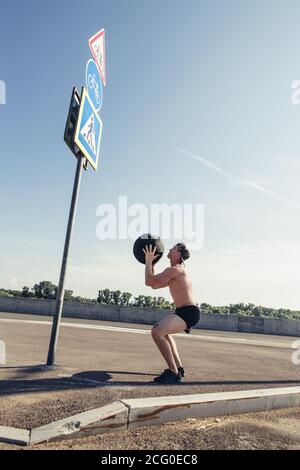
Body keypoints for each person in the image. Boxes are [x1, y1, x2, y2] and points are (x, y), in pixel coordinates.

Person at [143, 242, 200, 384]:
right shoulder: (176, 271)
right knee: (164, 334)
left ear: (178, 253)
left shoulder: (175, 270)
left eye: (173, 248)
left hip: (188, 312)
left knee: (157, 332)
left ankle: (173, 373)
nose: (169, 249)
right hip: (185, 311)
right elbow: (154, 285)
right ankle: (178, 368)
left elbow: (149, 281)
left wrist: (149, 261)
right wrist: (152, 265)